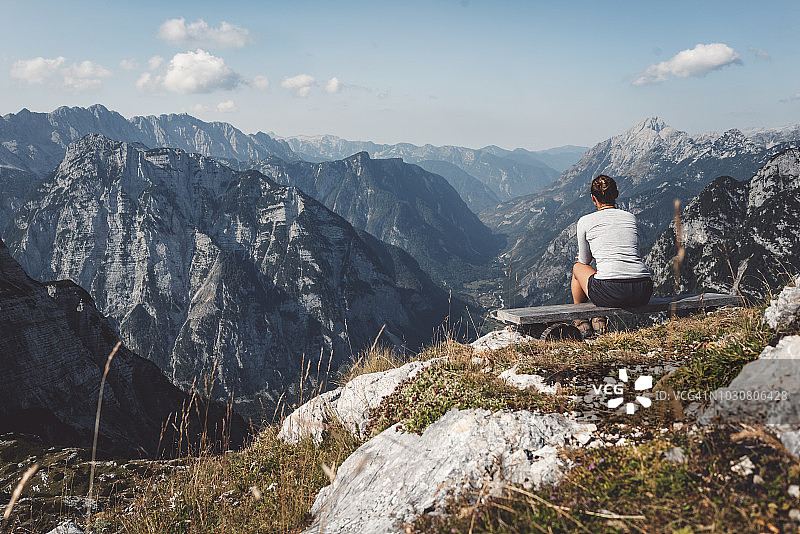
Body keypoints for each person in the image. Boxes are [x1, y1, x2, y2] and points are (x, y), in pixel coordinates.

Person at [571, 175, 653, 337]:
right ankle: (597, 318)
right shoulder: (630, 217)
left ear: (593, 198)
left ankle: (580, 319)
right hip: (643, 290)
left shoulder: (585, 221)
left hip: (611, 290)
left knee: (578, 268)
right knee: (599, 274)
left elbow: (584, 260)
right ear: (616, 195)